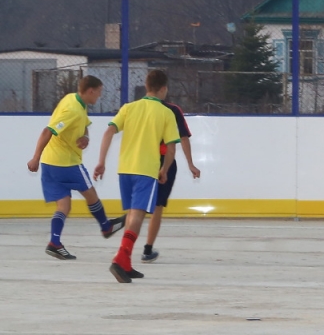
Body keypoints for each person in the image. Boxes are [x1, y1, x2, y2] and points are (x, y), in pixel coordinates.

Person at [93, 69, 180, 283]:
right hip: (146, 170)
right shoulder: (166, 112)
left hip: (125, 169)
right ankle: (120, 257)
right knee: (138, 217)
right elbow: (170, 149)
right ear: (163, 89)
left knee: (132, 213)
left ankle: (127, 264)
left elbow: (108, 132)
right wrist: (164, 169)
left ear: (146, 86)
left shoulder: (129, 108)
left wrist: (102, 162)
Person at [26, 75, 125, 259]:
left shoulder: (74, 99)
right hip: (66, 163)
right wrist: (34, 157)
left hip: (50, 163)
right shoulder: (73, 110)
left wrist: (85, 137)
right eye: (99, 92)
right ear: (90, 91)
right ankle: (106, 226)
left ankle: (54, 242)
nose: (100, 96)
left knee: (63, 205)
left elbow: (84, 125)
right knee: (91, 194)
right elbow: (48, 130)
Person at [140, 96, 201, 262]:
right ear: (163, 89)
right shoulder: (172, 110)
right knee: (157, 207)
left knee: (137, 207)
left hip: (141, 162)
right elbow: (182, 138)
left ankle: (126, 247)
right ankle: (147, 250)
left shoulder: (136, 108)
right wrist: (191, 164)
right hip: (163, 160)